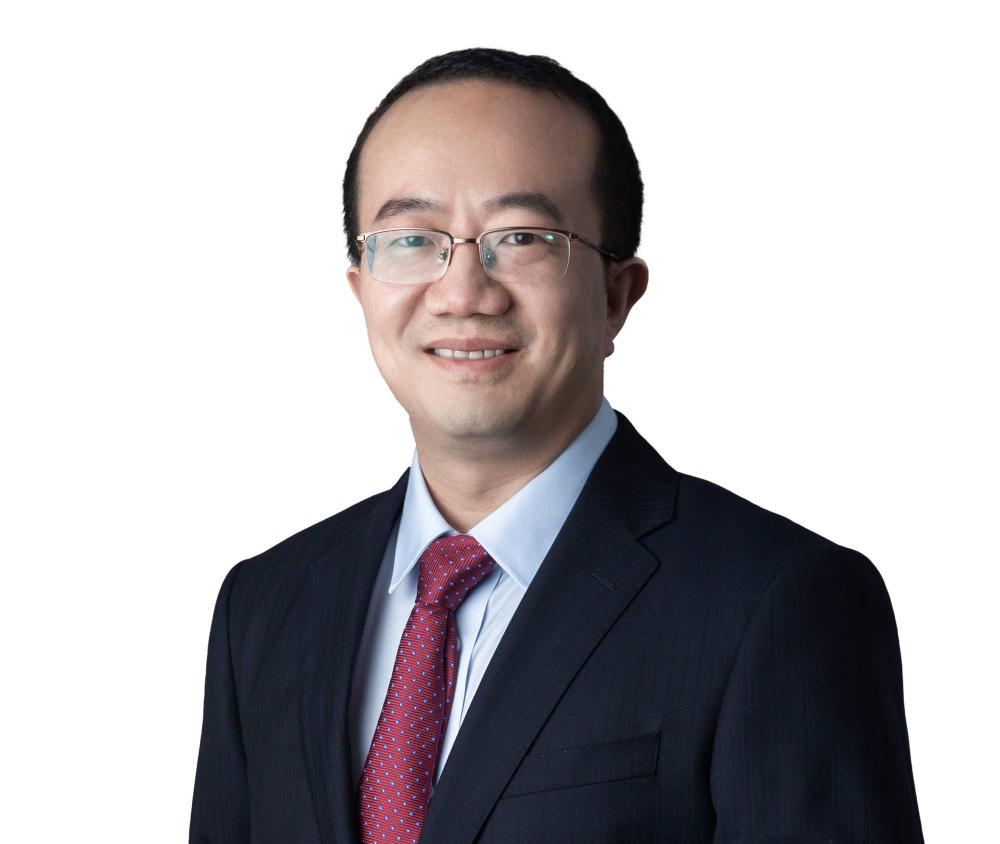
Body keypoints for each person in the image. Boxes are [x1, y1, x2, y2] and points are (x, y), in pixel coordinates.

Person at [190, 47, 924, 843]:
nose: (463, 292)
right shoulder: (266, 606)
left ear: (616, 295)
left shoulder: (779, 602)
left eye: (522, 237)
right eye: (411, 239)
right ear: (361, 286)